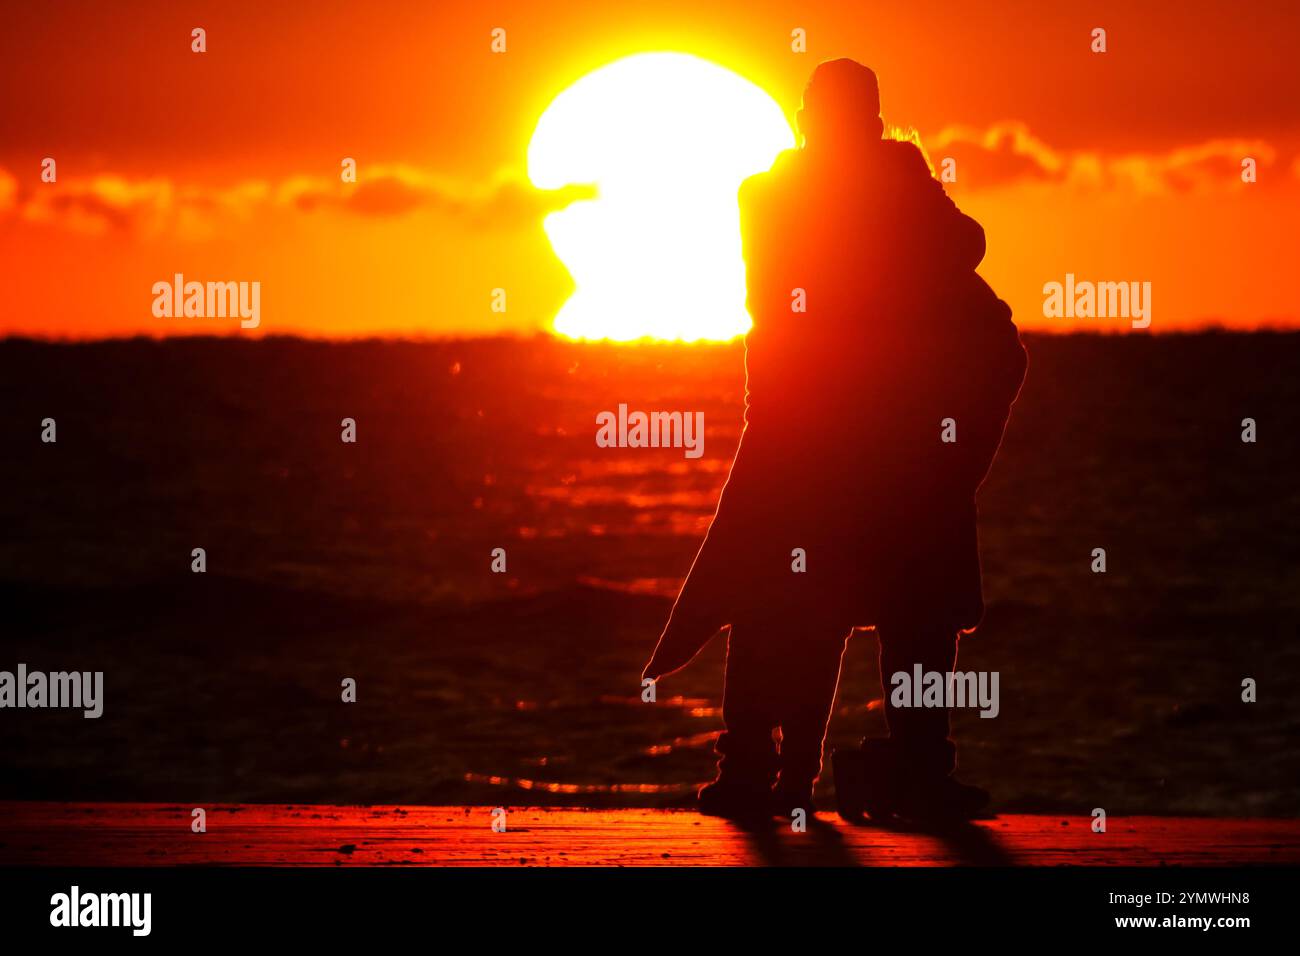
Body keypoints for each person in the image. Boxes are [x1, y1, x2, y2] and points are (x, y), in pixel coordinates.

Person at [642, 59, 1027, 824]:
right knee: (778, 603)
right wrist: (900, 177)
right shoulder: (781, 194)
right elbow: (941, 251)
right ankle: (759, 767)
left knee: (912, 613)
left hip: (893, 441)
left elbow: (964, 249)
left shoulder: (888, 189)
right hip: (808, 431)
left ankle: (907, 766)